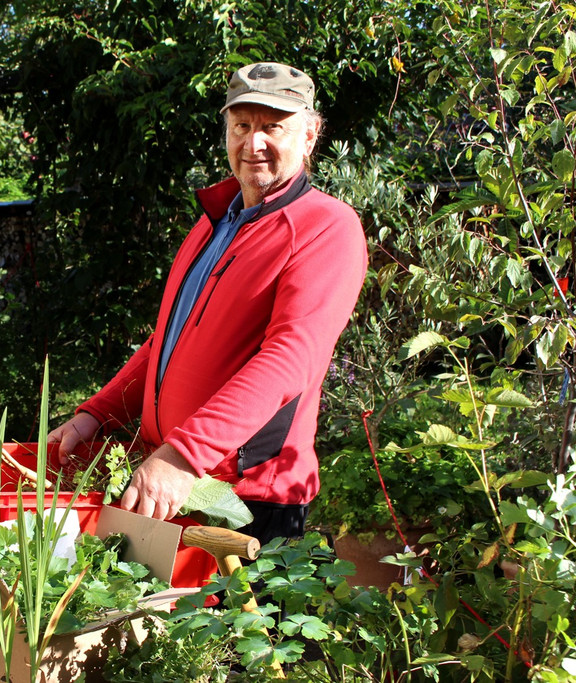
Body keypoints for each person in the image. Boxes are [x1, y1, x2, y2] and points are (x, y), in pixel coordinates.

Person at [48, 62, 368, 545]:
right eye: (241, 126)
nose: (253, 143)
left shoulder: (327, 227)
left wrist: (184, 455)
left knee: (248, 623)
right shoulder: (214, 225)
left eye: (272, 127)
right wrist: (97, 414)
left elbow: (291, 358)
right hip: (170, 481)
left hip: (246, 496)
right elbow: (168, 344)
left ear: (309, 134)